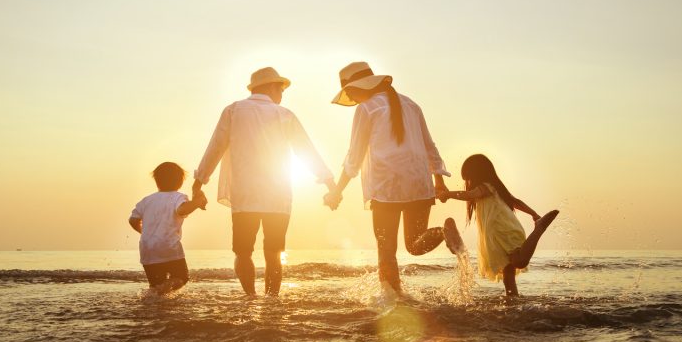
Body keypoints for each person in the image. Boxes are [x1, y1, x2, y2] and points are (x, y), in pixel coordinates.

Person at [194, 67, 336, 297]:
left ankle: (250, 297)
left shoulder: (233, 110)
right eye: (281, 89)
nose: (282, 94)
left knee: (242, 252)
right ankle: (271, 300)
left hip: (245, 196)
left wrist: (199, 181)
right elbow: (306, 150)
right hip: (277, 197)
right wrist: (330, 183)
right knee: (274, 252)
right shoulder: (284, 114)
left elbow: (216, 146)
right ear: (271, 87)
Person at [324, 61, 464, 294]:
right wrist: (438, 181)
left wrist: (337, 191)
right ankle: (442, 233)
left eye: (349, 91)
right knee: (415, 244)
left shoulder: (366, 108)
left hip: (386, 187)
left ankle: (393, 300)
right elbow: (430, 146)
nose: (350, 96)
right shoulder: (411, 104)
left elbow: (354, 156)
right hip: (419, 184)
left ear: (360, 87)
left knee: (386, 249)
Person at [440, 154, 559, 296]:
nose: (468, 182)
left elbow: (469, 194)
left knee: (519, 261)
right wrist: (533, 213)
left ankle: (539, 229)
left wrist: (447, 194)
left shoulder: (485, 187)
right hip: (496, 234)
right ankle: (512, 300)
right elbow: (515, 201)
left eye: (469, 178)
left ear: (476, 173)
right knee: (508, 273)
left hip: (502, 230)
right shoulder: (494, 188)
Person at [128, 162, 207, 294]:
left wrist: (144, 232)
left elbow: (133, 220)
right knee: (182, 278)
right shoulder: (178, 197)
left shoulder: (146, 200)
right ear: (180, 182)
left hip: (147, 249)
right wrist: (196, 203)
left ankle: (156, 295)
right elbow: (182, 210)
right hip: (168, 247)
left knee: (154, 284)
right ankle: (162, 289)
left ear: (156, 181)